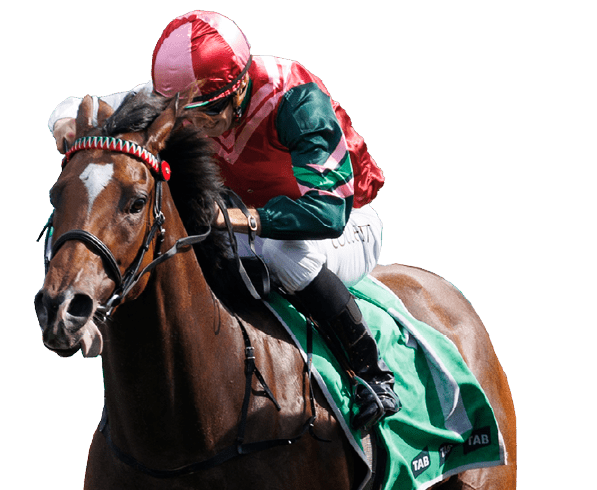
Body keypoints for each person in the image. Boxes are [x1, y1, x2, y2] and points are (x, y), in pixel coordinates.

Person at [48, 10, 399, 430]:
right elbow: (77, 104)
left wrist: (238, 218)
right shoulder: (180, 95)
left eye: (207, 113)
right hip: (248, 218)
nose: (195, 126)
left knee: (280, 250)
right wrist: (64, 122)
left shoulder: (297, 101)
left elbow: (327, 212)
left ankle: (371, 372)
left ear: (238, 89)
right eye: (185, 115)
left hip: (346, 225)